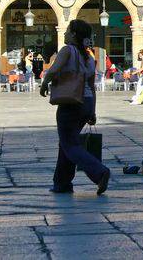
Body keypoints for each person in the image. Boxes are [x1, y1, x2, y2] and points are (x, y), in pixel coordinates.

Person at [39, 19, 110, 195]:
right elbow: (92, 87)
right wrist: (92, 110)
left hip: (70, 102)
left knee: (69, 144)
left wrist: (44, 84)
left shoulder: (67, 50)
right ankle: (62, 184)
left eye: (67, 30)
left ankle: (100, 172)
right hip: (85, 103)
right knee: (66, 143)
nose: (64, 33)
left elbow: (54, 69)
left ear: (73, 35)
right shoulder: (90, 57)